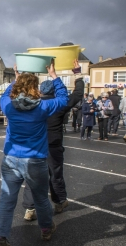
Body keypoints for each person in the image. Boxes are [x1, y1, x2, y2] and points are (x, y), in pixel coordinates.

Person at [0, 60, 68, 246]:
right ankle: (45, 229)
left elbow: (6, 94)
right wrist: (54, 76)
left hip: (10, 159)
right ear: (35, 88)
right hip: (35, 160)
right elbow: (63, 98)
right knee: (41, 198)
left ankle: (0, 239)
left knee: (6, 200)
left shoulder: (8, 106)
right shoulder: (42, 107)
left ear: (17, 87)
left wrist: (15, 80)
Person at [22, 62, 84, 221]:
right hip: (53, 145)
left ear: (40, 91)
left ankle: (30, 209)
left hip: (35, 146)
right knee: (55, 175)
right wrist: (77, 74)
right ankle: (59, 202)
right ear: (54, 91)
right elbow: (77, 95)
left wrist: (20, 75)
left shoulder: (32, 105)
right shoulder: (58, 104)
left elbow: (17, 95)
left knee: (32, 177)